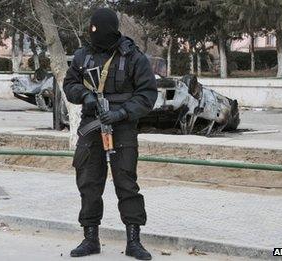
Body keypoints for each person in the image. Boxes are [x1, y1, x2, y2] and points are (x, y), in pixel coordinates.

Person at [63, 8, 158, 260]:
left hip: (123, 126)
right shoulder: (83, 55)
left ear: (111, 29)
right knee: (89, 182)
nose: (94, 35)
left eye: (98, 30)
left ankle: (134, 241)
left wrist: (122, 113)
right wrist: (84, 96)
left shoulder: (133, 57)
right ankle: (90, 239)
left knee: (126, 183)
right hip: (91, 125)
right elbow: (69, 83)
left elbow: (148, 95)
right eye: (91, 30)